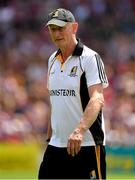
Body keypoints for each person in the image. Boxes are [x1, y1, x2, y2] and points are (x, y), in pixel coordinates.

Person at [38, 8, 108, 179]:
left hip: (86, 144)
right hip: (56, 145)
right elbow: (55, 100)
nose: (56, 33)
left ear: (74, 27)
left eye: (61, 28)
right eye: (52, 29)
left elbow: (97, 98)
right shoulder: (52, 60)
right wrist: (50, 135)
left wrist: (79, 130)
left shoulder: (90, 58)